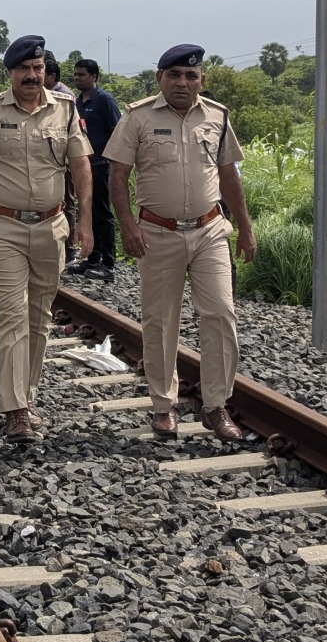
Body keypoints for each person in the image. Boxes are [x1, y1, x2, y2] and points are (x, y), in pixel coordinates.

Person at [104, 44, 255, 443]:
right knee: (159, 319)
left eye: (191, 76)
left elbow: (229, 177)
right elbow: (117, 176)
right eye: (174, 75)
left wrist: (245, 227)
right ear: (160, 79)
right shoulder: (137, 117)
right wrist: (127, 226)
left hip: (209, 231)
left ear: (201, 80)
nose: (183, 82)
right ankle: (162, 406)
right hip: (156, 233)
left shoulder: (217, 117)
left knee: (221, 314)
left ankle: (215, 406)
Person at [0, 35, 93, 444]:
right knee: (12, 315)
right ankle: (14, 410)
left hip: (52, 228)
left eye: (37, 69)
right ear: (11, 73)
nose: (31, 77)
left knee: (39, 318)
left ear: (45, 72)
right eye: (23, 70)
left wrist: (85, 221)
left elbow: (80, 167)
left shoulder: (65, 110)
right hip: (1, 228)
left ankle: (27, 399)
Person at [66, 59, 122, 282]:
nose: (77, 78)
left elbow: (118, 133)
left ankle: (108, 263)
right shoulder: (78, 102)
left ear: (94, 77)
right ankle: (93, 258)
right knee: (88, 211)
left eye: (82, 75)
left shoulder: (105, 101)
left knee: (103, 213)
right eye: (76, 75)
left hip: (102, 165)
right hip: (85, 165)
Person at [44, 52, 79, 263]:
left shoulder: (64, 97)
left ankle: (69, 246)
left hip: (63, 161)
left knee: (66, 201)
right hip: (51, 160)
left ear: (51, 76)